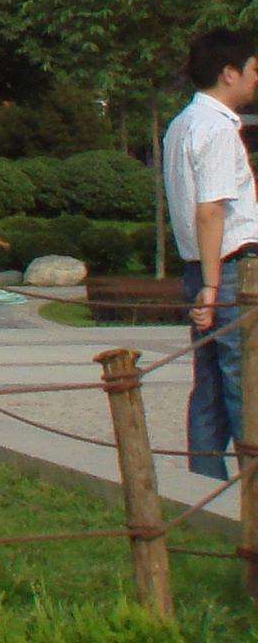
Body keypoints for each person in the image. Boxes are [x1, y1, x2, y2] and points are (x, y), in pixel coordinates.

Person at [161, 27, 258, 480]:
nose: (256, 80)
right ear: (229, 73)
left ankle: (202, 485)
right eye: (254, 70)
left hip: (200, 267)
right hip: (228, 268)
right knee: (244, 380)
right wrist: (215, 287)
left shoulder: (182, 123)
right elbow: (210, 211)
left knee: (212, 382)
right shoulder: (217, 129)